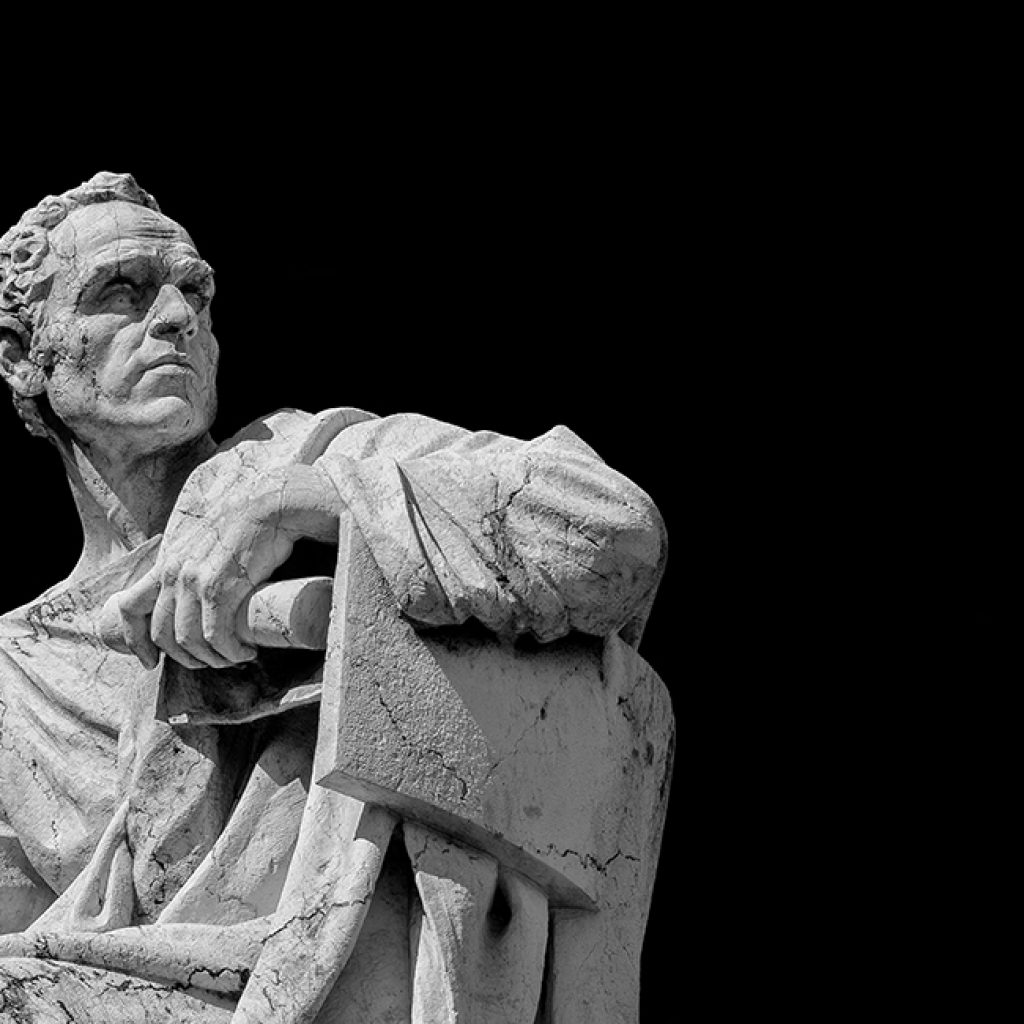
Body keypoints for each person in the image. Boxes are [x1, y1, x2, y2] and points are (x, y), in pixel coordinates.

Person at [0, 172, 667, 1022]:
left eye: (195, 292)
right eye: (122, 291)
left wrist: (310, 502)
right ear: (21, 356)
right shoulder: (14, 673)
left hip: (331, 978)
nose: (176, 318)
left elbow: (616, 528)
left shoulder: (316, 457)